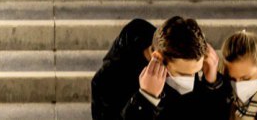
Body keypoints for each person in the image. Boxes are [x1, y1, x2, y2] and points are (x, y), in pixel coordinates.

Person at [91, 16, 228, 120]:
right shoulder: (106, 83)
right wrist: (145, 100)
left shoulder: (183, 56)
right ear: (158, 57)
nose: (191, 80)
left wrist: (213, 84)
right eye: (183, 74)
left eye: (196, 72)